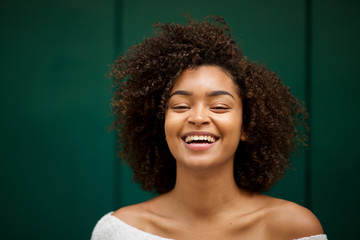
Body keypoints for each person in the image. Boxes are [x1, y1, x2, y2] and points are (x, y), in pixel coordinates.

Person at [91, 16, 327, 240]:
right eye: (181, 106)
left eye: (220, 106)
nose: (198, 117)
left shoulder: (293, 229)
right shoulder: (118, 231)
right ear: (162, 125)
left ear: (246, 125)